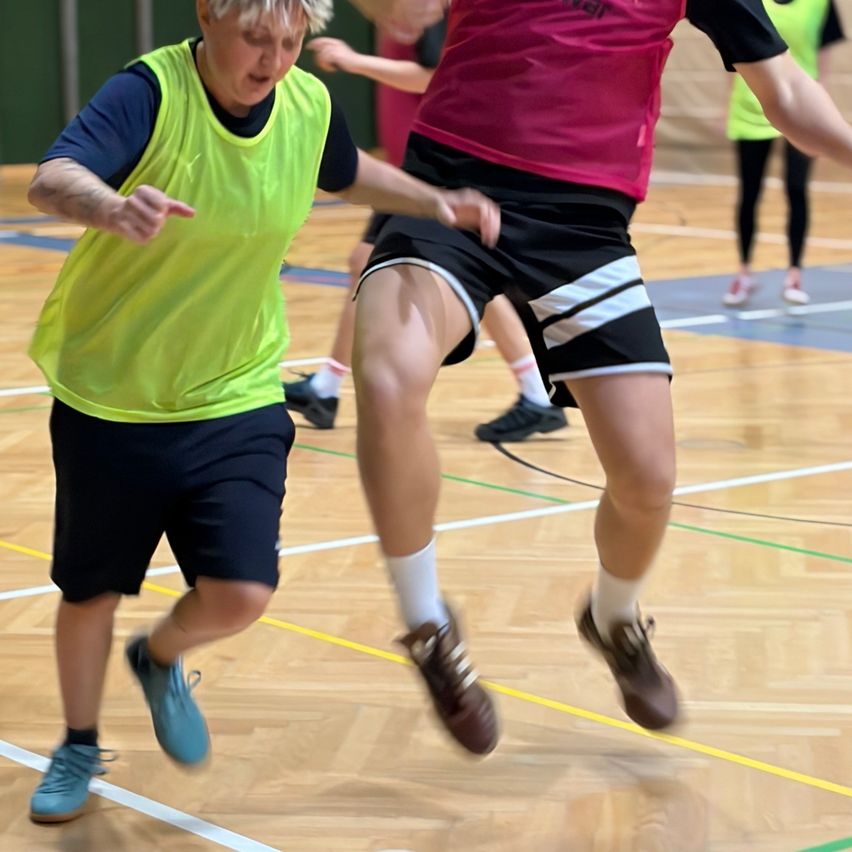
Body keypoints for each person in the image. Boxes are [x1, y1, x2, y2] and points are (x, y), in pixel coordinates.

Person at [24, 0, 498, 823]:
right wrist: (109, 206)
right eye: (255, 39)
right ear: (209, 15)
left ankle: (162, 656)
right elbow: (51, 177)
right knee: (91, 591)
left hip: (235, 388)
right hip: (113, 391)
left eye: (288, 43)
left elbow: (349, 173)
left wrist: (437, 203)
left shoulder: (307, 104)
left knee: (242, 590)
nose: (272, 61)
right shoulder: (150, 93)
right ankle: (77, 742)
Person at [348, 0, 852, 756]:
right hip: (450, 189)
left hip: (584, 225)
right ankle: (428, 623)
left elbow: (784, 95)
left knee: (648, 478)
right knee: (388, 378)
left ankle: (613, 616)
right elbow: (406, 10)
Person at [284, 29, 567, 441]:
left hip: (442, 168)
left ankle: (537, 393)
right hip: (412, 170)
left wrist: (353, 60)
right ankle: (325, 389)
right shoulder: (407, 17)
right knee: (366, 262)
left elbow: (432, 76)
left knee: (467, 281)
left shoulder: (436, 15)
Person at [723, 0, 845, 308]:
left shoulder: (819, 4)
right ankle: (744, 271)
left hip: (800, 108)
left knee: (796, 188)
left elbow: (823, 50)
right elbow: (731, 50)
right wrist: (727, 100)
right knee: (750, 192)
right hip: (750, 107)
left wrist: (822, 100)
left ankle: (794, 273)